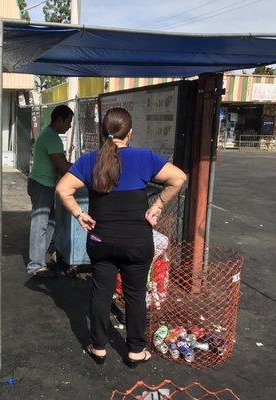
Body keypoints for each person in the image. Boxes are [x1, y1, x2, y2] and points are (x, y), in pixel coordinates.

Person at [56, 108, 186, 367]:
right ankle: (136, 350)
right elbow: (178, 177)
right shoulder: (143, 157)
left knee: (101, 292)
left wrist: (79, 214)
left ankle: (98, 346)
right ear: (130, 133)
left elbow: (63, 189)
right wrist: (158, 205)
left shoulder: (89, 160)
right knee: (135, 294)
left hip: (101, 241)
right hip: (136, 242)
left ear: (103, 132)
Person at [27, 105, 73, 277]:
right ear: (59, 120)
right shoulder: (51, 137)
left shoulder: (50, 135)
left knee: (51, 223)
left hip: (44, 185)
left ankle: (39, 259)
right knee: (40, 224)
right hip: (42, 185)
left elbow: (63, 163)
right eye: (68, 122)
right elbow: (62, 166)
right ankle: (35, 266)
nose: (69, 126)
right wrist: (84, 169)